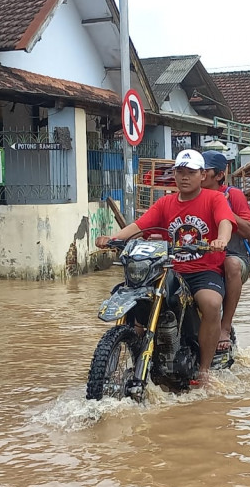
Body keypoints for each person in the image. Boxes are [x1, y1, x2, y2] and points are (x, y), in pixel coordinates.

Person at [96, 149, 235, 383]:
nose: (184, 177)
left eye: (191, 172)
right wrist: (113, 239)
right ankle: (135, 354)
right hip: (170, 269)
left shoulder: (215, 198)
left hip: (203, 271)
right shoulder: (165, 203)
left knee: (211, 303)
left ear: (202, 175)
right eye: (180, 171)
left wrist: (221, 240)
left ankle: (203, 371)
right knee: (139, 298)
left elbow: (225, 222)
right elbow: (139, 226)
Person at [200, 150, 250, 354]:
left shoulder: (233, 195)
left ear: (219, 175)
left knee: (231, 264)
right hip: (199, 259)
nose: (199, 175)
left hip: (231, 256)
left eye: (204, 171)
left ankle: (224, 327)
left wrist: (225, 211)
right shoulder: (188, 193)